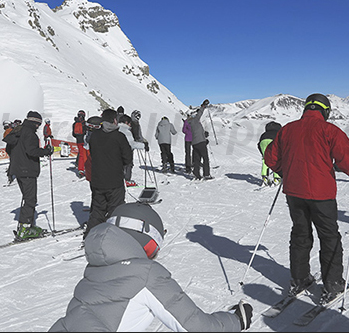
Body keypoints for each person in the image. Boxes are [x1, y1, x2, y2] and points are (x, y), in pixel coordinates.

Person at [49, 202, 253, 332]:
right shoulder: (145, 274)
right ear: (149, 245)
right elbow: (196, 327)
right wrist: (236, 320)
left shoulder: (94, 270)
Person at [264, 93, 349, 303]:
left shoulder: (287, 129)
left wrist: (285, 171)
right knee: (329, 237)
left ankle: (299, 279)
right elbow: (346, 159)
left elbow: (270, 158)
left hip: (294, 193)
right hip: (322, 195)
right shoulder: (330, 130)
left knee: (300, 234)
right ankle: (333, 284)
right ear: (325, 111)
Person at [83, 108, 133, 239]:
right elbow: (128, 157)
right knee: (115, 210)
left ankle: (90, 236)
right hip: (114, 180)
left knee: (97, 210)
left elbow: (92, 154)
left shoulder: (94, 135)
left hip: (97, 180)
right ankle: (113, 238)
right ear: (114, 120)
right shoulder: (119, 136)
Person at [12, 111, 54, 239]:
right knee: (30, 200)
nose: (39, 127)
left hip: (18, 169)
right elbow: (31, 151)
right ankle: (24, 230)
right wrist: (46, 151)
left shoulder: (19, 131)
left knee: (27, 198)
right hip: (27, 170)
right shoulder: (30, 134)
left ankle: (27, 226)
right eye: (38, 124)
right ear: (35, 123)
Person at [119, 114, 145, 187]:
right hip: (126, 153)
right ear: (126, 122)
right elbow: (131, 144)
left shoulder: (116, 129)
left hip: (116, 152)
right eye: (129, 123)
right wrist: (143, 146)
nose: (130, 125)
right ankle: (127, 180)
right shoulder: (126, 131)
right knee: (128, 165)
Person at [190, 99, 213, 180]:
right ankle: (206, 174)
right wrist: (203, 105)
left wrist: (203, 135)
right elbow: (200, 113)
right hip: (201, 143)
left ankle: (196, 173)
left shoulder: (189, 123)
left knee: (197, 159)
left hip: (194, 143)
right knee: (205, 158)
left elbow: (197, 132)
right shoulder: (195, 121)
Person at [257, 121, 282, 187]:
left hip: (263, 141)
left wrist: (262, 154)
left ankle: (264, 175)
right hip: (273, 140)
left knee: (265, 159)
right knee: (276, 159)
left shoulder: (264, 134)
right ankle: (276, 177)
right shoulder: (278, 133)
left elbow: (258, 145)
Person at [2, 119, 23, 184]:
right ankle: (10, 175)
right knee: (14, 161)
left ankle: (11, 174)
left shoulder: (8, 131)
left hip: (11, 148)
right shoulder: (9, 131)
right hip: (12, 148)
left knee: (14, 161)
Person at [72, 110, 88, 178]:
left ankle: (80, 169)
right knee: (87, 154)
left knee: (81, 154)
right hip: (85, 140)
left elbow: (73, 134)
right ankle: (86, 169)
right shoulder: (85, 123)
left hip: (78, 141)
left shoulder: (75, 123)